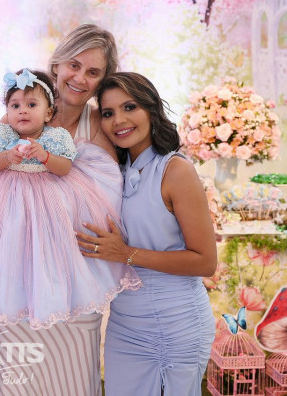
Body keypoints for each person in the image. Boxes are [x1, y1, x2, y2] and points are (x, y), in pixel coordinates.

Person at [0, 65, 139, 395]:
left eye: (32, 105)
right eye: (16, 105)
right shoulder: (3, 135)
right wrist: (9, 156)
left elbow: (65, 168)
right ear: (7, 111)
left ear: (49, 112)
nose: (23, 111)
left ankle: (54, 296)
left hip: (49, 206)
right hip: (12, 209)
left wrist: (45, 156)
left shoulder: (58, 137)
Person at [76, 72, 217, 395]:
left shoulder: (175, 170)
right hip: (125, 324)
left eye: (130, 107)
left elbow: (206, 262)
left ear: (151, 110)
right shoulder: (115, 173)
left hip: (176, 321)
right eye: (108, 113)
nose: (119, 120)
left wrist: (127, 254)